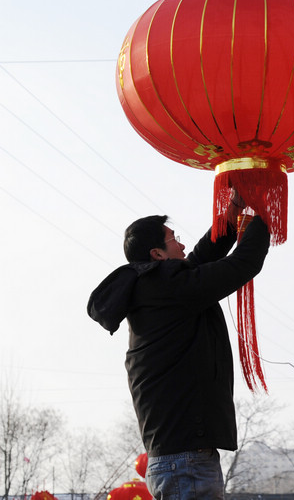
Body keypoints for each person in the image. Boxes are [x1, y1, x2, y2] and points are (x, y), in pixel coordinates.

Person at [87, 193, 270, 500]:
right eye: (174, 240)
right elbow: (242, 264)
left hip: (178, 462)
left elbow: (200, 259)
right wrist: (264, 211)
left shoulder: (154, 288)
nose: (182, 246)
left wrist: (234, 212)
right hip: (186, 464)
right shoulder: (167, 287)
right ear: (158, 254)